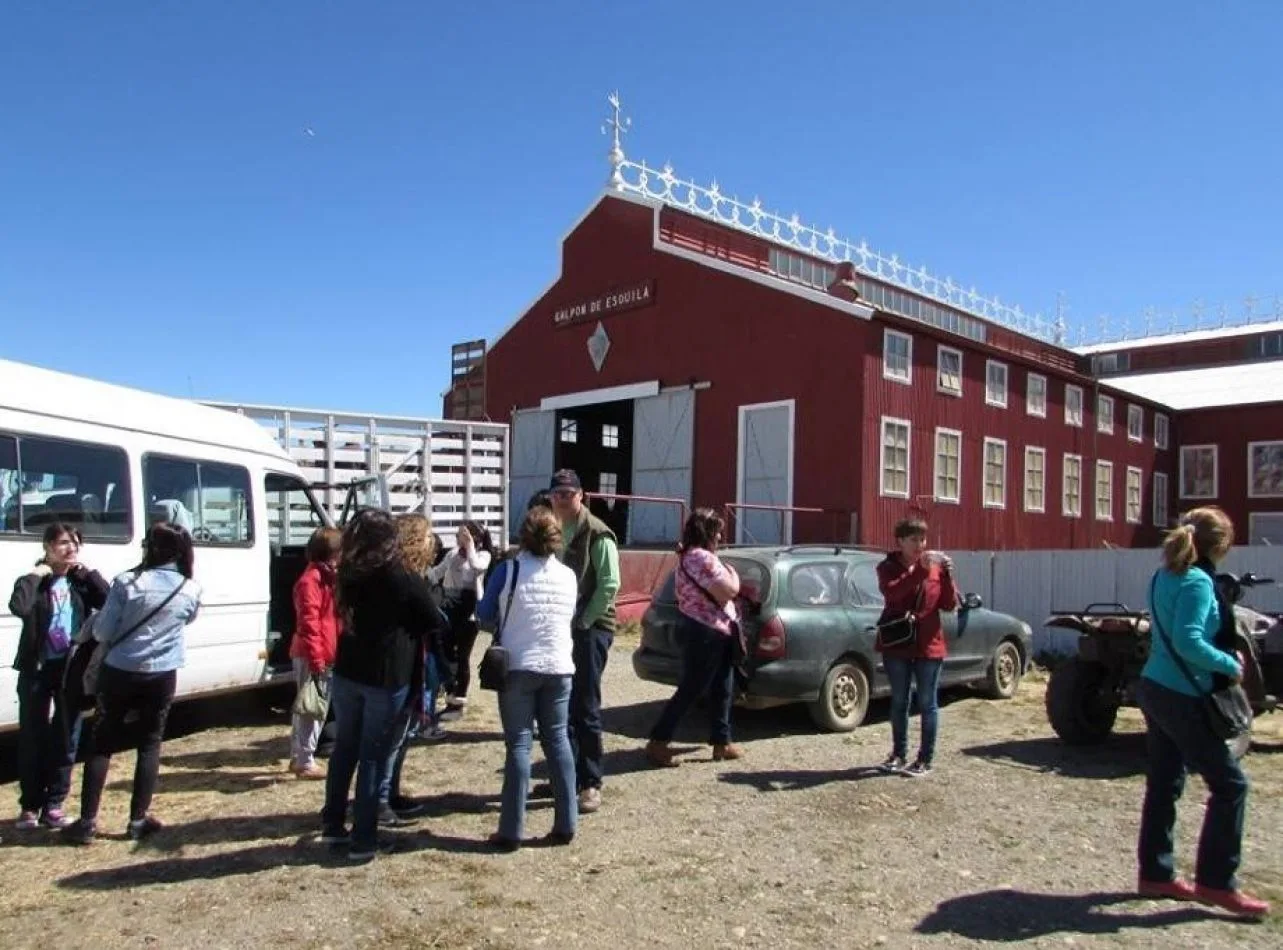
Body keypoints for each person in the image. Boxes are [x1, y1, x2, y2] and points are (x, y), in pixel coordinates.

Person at [1136, 507, 1269, 919]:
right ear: (1221, 546)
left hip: (1155, 685)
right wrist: (1230, 665)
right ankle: (1216, 882)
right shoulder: (1196, 581)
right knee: (1231, 785)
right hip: (1181, 693)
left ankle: (1156, 873)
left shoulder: (1164, 575)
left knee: (1165, 781)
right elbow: (1189, 641)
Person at [320, 509, 445, 861]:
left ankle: (332, 823)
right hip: (385, 675)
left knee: (345, 748)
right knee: (373, 756)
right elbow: (432, 618)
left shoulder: (349, 571)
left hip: (348, 672)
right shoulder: (399, 575)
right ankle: (363, 840)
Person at [66, 522, 201, 844]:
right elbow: (189, 618)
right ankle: (137, 820)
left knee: (102, 744)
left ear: (148, 547)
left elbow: (103, 633)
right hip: (162, 672)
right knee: (150, 744)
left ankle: (87, 822)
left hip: (121, 669)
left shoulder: (127, 582)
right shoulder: (189, 588)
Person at [476, 507, 578, 850]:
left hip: (519, 663)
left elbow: (485, 615)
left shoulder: (508, 570)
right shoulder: (568, 575)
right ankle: (566, 821)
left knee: (519, 745)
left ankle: (511, 829)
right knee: (558, 741)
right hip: (560, 664)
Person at [9, 523, 109, 830]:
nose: (71, 549)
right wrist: (35, 576)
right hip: (37, 668)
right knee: (33, 736)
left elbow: (109, 600)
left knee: (67, 736)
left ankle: (54, 803)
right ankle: (29, 805)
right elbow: (20, 607)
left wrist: (88, 573)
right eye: (64, 543)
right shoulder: (36, 581)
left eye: (75, 543)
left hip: (70, 668)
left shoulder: (80, 582)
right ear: (48, 547)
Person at [645, 508, 743, 766]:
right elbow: (728, 591)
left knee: (723, 686)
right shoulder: (702, 558)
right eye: (717, 531)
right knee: (692, 688)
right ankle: (658, 740)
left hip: (712, 628)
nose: (721, 536)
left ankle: (722, 741)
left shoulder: (687, 558)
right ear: (706, 532)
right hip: (706, 630)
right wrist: (734, 574)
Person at [548, 469, 620, 815]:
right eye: (557, 493)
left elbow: (609, 585)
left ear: (582, 495)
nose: (563, 499)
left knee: (586, 704)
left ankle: (591, 781)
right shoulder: (552, 528)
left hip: (591, 627)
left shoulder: (598, 534)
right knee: (562, 704)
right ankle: (568, 773)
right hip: (564, 626)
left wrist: (583, 620)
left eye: (569, 493)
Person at [873, 517, 959, 777]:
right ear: (900, 541)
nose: (919, 545)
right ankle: (898, 754)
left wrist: (947, 576)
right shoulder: (888, 567)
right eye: (913, 539)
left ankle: (925, 759)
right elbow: (893, 593)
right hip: (898, 643)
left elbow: (949, 604)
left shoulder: (935, 568)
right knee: (899, 700)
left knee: (927, 702)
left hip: (928, 645)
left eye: (922, 539)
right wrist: (919, 571)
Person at [379, 513, 444, 823]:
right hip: (400, 667)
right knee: (392, 738)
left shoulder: (413, 575)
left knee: (403, 736)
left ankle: (391, 792)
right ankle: (380, 801)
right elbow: (434, 618)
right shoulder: (404, 577)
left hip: (413, 664)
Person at [288, 526, 342, 779]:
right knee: (312, 708)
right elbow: (309, 623)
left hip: (321, 651)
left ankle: (299, 756)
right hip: (313, 653)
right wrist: (318, 658)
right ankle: (305, 760)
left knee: (308, 706)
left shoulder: (326, 578)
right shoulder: (311, 581)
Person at [430, 521, 495, 715]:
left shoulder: (484, 555)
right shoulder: (452, 554)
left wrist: (471, 548)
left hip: (469, 609)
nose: (459, 538)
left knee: (463, 655)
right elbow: (438, 572)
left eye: (463, 535)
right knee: (446, 650)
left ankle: (458, 700)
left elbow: (476, 567)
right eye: (459, 535)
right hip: (449, 604)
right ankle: (450, 693)